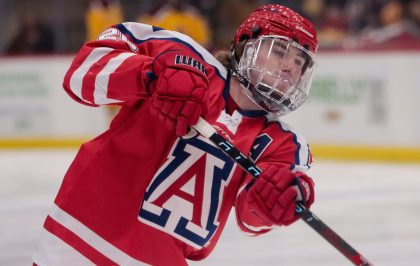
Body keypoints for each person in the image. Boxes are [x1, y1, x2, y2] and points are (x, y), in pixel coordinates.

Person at [32, 4, 318, 265]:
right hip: (77, 239)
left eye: (300, 63)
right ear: (246, 46)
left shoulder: (286, 145)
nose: (290, 67)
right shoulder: (179, 52)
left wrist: (274, 203)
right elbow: (80, 75)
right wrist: (149, 74)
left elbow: (250, 220)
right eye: (280, 51)